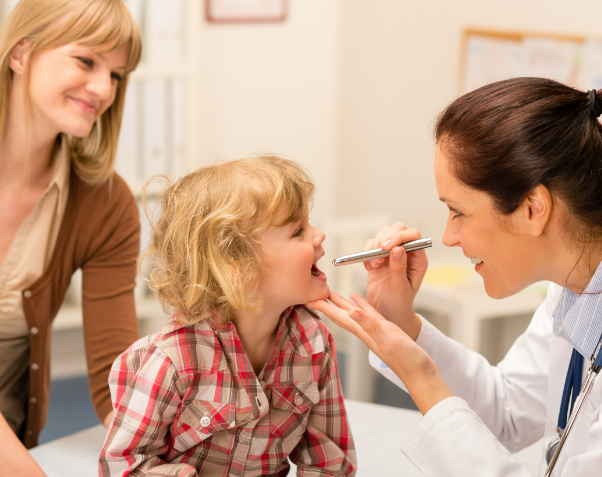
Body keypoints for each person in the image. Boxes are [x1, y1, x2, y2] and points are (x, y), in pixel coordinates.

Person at [310, 78, 602, 476]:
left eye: (458, 211)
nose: (448, 237)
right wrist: (403, 326)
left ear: (533, 209)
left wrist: (422, 377)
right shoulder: (577, 285)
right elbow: (508, 413)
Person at [99, 156, 356, 477]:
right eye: (298, 231)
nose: (319, 236)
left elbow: (329, 463)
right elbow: (122, 465)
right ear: (238, 269)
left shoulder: (314, 341)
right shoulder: (172, 361)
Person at [0, 0, 142, 472]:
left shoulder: (106, 204)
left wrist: (170, 447)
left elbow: (114, 378)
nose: (104, 88)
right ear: (20, 54)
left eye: (117, 75)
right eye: (86, 60)